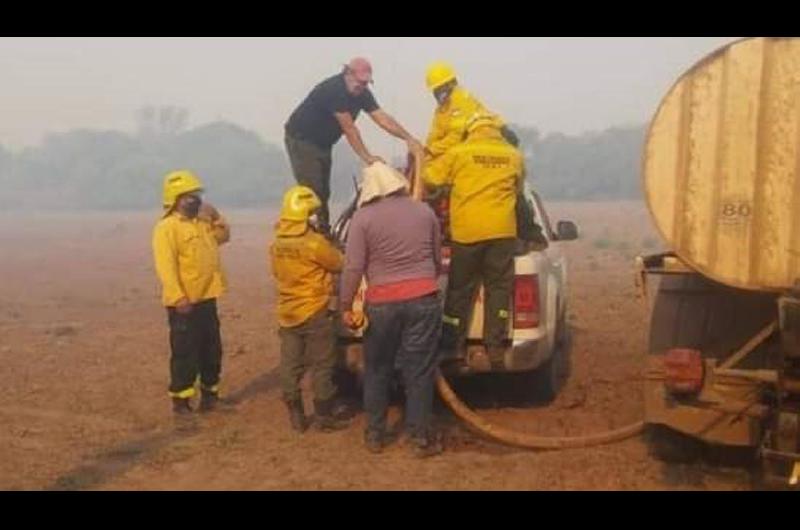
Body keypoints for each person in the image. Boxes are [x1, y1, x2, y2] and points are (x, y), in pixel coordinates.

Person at [340, 162, 443, 457]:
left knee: (377, 370)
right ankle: (419, 439)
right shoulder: (424, 211)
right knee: (419, 371)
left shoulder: (363, 218)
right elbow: (436, 260)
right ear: (398, 184)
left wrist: (346, 305)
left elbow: (354, 267)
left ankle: (374, 435)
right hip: (423, 298)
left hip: (381, 303)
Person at [423, 114, 524, 370]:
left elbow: (431, 178)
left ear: (471, 130)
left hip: (467, 232)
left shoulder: (460, 152)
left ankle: (451, 345)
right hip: (502, 231)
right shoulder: (514, 155)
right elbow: (519, 189)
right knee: (499, 288)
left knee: (459, 290)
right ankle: (494, 345)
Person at [284, 57, 424, 230]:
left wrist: (408, 138)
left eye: (366, 83)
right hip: (302, 140)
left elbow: (381, 118)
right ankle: (315, 233)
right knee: (314, 191)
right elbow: (349, 128)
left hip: (324, 144)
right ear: (347, 74)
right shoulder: (334, 90)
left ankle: (323, 229)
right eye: (360, 82)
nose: (362, 87)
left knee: (324, 192)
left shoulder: (362, 93)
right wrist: (368, 157)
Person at [152, 170, 232, 422]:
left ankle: (210, 397)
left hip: (208, 297)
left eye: (197, 195)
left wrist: (216, 215)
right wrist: (178, 297)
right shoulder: (166, 229)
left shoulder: (201, 223)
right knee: (185, 353)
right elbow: (166, 266)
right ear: (175, 199)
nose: (196, 200)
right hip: (184, 303)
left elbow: (224, 236)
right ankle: (181, 403)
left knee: (212, 350)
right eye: (190, 196)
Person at [269, 185, 350, 433]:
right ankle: (324, 417)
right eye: (313, 213)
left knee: (290, 364)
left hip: (288, 311)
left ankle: (296, 414)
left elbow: (276, 273)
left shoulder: (277, 244)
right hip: (315, 309)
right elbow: (339, 263)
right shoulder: (313, 244)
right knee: (322, 364)